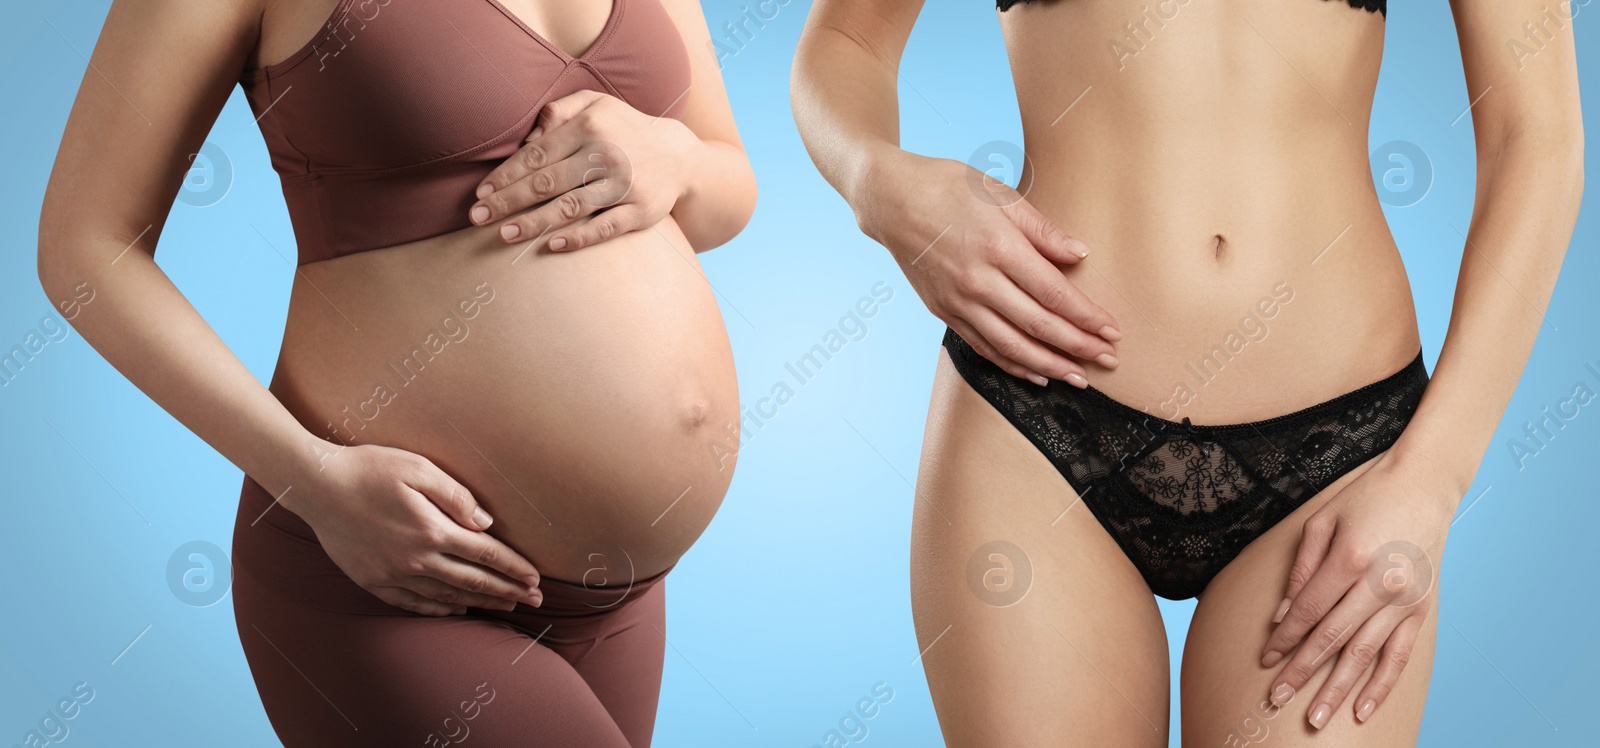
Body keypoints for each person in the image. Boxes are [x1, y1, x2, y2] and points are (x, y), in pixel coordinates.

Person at [791, 0, 1581, 744]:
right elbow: (845, 43)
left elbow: (1536, 137)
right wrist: (880, 184)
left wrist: (1431, 480)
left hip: (1342, 454)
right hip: (1033, 420)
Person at [38, 0, 755, 745]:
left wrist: (676, 157)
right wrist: (308, 478)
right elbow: (83, 246)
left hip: (622, 601)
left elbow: (727, 186)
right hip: (385, 578)